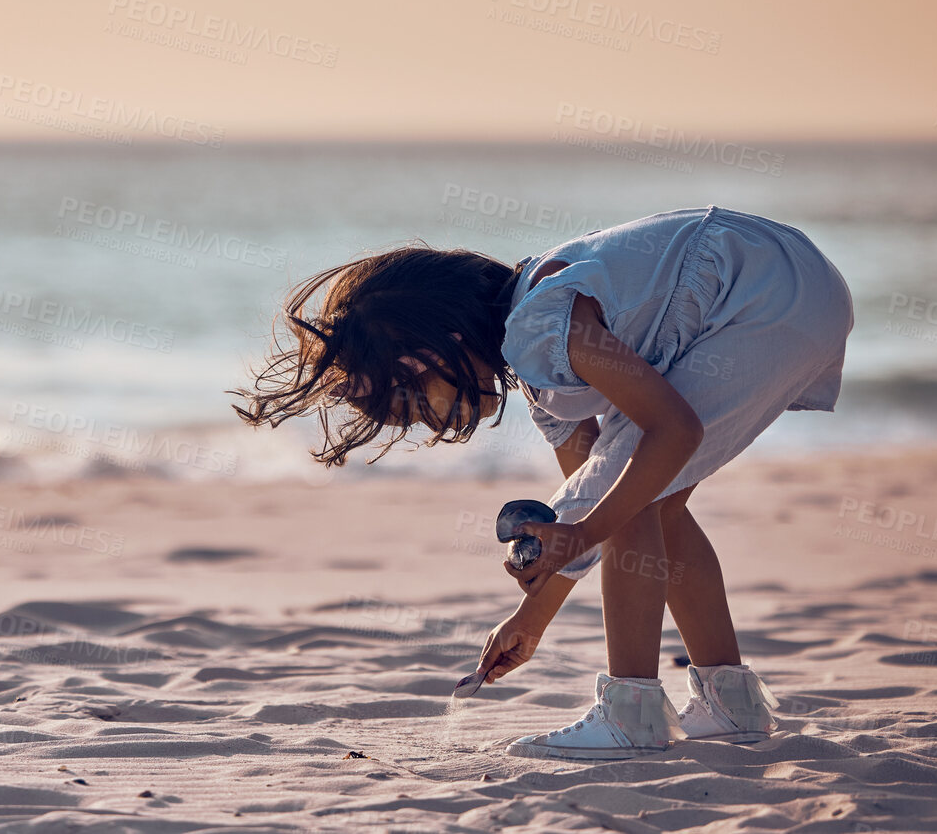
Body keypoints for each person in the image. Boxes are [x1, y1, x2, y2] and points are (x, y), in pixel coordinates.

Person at [232, 205, 854, 759]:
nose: (427, 420)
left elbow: (671, 433)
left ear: (439, 347)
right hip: (794, 285)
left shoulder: (537, 323)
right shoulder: (543, 378)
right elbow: (592, 505)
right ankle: (731, 702)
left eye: (415, 400)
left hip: (761, 290)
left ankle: (632, 711)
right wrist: (531, 616)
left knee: (639, 502)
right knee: (650, 501)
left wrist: (583, 531)